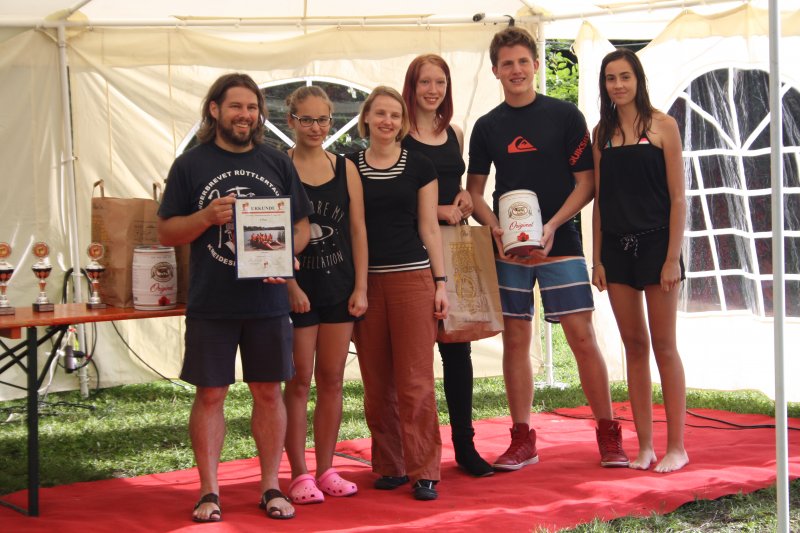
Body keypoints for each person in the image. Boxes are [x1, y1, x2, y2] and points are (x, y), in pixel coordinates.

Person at [466, 26, 629, 471]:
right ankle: (523, 439)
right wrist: (495, 227)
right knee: (516, 341)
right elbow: (474, 192)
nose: (516, 70)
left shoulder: (565, 115)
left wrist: (554, 224)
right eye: (507, 63)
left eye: (523, 61)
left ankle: (608, 432)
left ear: (536, 65)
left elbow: (586, 182)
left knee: (582, 337)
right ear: (496, 70)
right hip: (510, 250)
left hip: (562, 243)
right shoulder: (487, 126)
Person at [157, 73, 312, 522]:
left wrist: (287, 255)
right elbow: (167, 231)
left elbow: (301, 227)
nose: (245, 115)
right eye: (236, 107)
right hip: (212, 302)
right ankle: (209, 491)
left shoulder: (277, 161)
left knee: (269, 393)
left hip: (267, 302)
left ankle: (271, 486)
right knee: (210, 395)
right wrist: (205, 217)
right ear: (215, 110)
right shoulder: (190, 165)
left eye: (252, 107)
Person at [591, 48, 689, 473]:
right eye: (611, 78)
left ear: (638, 79)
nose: (618, 85)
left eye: (625, 77)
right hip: (616, 250)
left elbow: (679, 198)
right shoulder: (601, 133)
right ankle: (645, 446)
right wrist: (597, 259)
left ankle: (677, 447)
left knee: (664, 346)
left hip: (657, 247)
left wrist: (672, 259)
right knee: (634, 346)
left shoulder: (664, 126)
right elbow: (600, 200)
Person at [350, 86, 449, 500]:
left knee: (415, 382)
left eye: (394, 115)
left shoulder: (420, 165)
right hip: (367, 283)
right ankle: (391, 465)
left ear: (402, 121)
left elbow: (429, 228)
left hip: (413, 280)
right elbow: (353, 227)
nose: (387, 121)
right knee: (377, 384)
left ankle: (425, 470)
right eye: (380, 113)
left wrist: (441, 282)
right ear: (366, 118)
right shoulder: (350, 165)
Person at [401, 54, 492, 477]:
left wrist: (465, 199)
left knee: (458, 350)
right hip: (411, 252)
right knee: (415, 358)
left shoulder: (454, 132)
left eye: (440, 82)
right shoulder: (398, 133)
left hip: (455, 248)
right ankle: (413, 451)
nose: (433, 90)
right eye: (425, 82)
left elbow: (460, 188)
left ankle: (465, 446)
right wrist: (436, 210)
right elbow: (392, 198)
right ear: (412, 86)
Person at [282, 86, 369, 504]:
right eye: (307, 120)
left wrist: (361, 286)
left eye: (322, 120)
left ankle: (326, 468)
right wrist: (290, 285)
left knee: (332, 380)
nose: (315, 128)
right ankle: (299, 473)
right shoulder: (279, 166)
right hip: (298, 292)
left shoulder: (345, 167)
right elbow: (270, 235)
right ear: (291, 121)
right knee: (299, 382)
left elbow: (357, 230)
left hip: (339, 287)